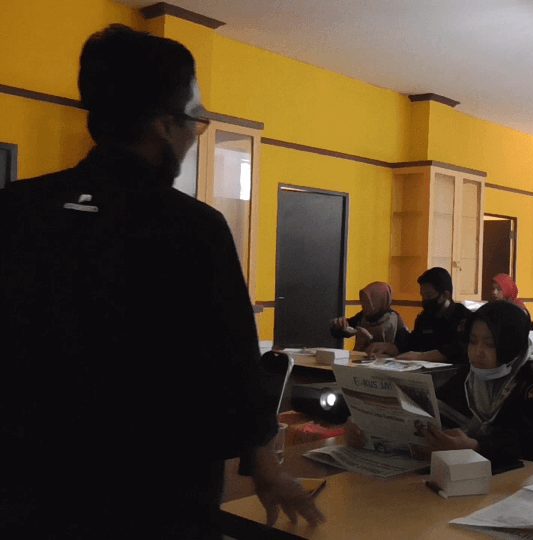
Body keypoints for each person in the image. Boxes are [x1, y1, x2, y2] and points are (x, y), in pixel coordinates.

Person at [0, 25, 320, 538]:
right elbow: (234, 362)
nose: (196, 135)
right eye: (196, 120)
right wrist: (263, 464)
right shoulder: (192, 228)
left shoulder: (16, 208)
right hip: (154, 495)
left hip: (27, 489)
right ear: (164, 126)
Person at [349, 302, 533, 470]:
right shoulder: (469, 376)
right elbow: (434, 416)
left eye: (490, 344)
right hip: (480, 479)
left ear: (510, 344)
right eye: (473, 341)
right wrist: (372, 432)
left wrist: (476, 446)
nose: (478, 352)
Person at [367, 267, 470, 363]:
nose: (424, 300)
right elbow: (413, 343)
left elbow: (458, 349)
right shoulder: (425, 317)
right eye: (422, 295)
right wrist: (390, 348)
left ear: (445, 295)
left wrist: (421, 356)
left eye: (429, 295)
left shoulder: (463, 316)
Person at [330, 281, 407, 353]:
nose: (363, 305)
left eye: (368, 301)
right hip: (361, 359)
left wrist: (374, 341)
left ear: (380, 301)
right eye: (362, 301)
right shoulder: (362, 316)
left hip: (384, 361)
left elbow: (404, 346)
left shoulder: (394, 319)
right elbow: (342, 331)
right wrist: (339, 325)